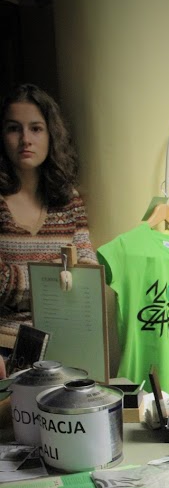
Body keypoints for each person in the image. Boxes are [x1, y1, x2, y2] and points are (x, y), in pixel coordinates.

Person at [0, 83, 97, 366]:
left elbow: (88, 272)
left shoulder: (68, 200)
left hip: (64, 345)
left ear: (51, 135)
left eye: (36, 128)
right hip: (4, 349)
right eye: (14, 128)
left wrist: (22, 279)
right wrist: (58, 273)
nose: (25, 139)